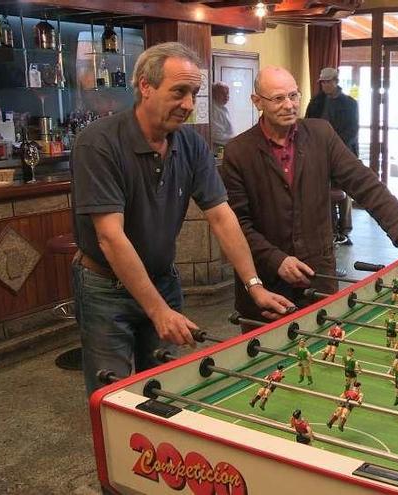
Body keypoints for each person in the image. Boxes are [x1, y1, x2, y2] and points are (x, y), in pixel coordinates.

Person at [70, 42, 294, 396]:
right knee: (112, 395)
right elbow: (110, 237)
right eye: (179, 92)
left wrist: (254, 285)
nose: (189, 105)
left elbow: (222, 216)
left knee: (165, 390)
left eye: (194, 93)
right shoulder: (98, 143)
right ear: (145, 86)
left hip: (162, 279)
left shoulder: (190, 143)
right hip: (105, 289)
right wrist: (159, 311)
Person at [220, 66, 398, 323]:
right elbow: (236, 225)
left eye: (293, 95)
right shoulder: (238, 152)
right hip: (265, 283)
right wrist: (277, 260)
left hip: (318, 278)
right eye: (278, 98)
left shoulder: (321, 134)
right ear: (257, 102)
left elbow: (363, 182)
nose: (289, 105)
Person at [304, 67, 359, 246]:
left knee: (345, 193)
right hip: (318, 153)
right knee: (323, 192)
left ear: (336, 81)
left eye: (328, 82)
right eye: (323, 82)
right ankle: (329, 230)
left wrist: (336, 148)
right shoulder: (316, 102)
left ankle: (345, 230)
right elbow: (307, 125)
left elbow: (352, 131)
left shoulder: (349, 103)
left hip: (343, 153)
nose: (325, 85)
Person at [211, 81, 233, 147]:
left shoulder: (222, 108)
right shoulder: (213, 110)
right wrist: (236, 139)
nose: (227, 96)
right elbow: (217, 136)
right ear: (214, 94)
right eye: (223, 93)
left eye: (227, 93)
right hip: (218, 148)